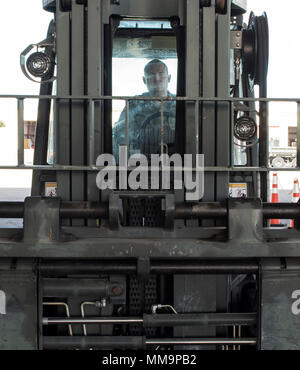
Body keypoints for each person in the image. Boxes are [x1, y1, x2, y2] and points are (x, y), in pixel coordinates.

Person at [112, 59, 176, 160]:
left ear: (169, 78)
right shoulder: (134, 104)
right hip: (142, 161)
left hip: (176, 161)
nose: (157, 79)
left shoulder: (179, 104)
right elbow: (120, 135)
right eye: (151, 75)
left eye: (161, 74)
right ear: (144, 80)